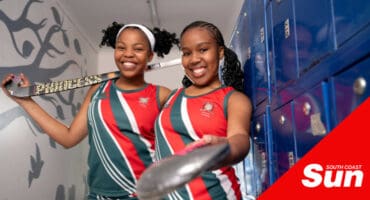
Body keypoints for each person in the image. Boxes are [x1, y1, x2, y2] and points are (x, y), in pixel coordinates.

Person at [1, 22, 179, 199]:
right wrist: (25, 101)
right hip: (97, 195)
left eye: (138, 49)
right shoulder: (98, 90)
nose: (128, 54)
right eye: (121, 47)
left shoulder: (160, 95)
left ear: (150, 56)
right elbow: (68, 138)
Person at [154, 20, 252, 199]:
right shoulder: (171, 97)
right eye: (186, 53)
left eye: (203, 50)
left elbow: (240, 139)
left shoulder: (234, 99)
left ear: (220, 52)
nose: (194, 59)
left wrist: (224, 149)